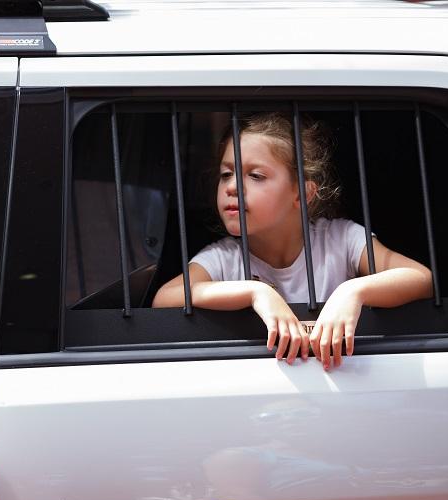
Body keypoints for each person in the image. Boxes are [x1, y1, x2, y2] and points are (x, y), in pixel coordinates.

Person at [153, 112, 433, 371]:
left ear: (302, 193)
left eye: (256, 175)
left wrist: (352, 292)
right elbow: (165, 298)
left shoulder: (341, 238)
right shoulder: (224, 257)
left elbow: (420, 277)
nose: (232, 186)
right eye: (226, 173)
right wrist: (255, 292)